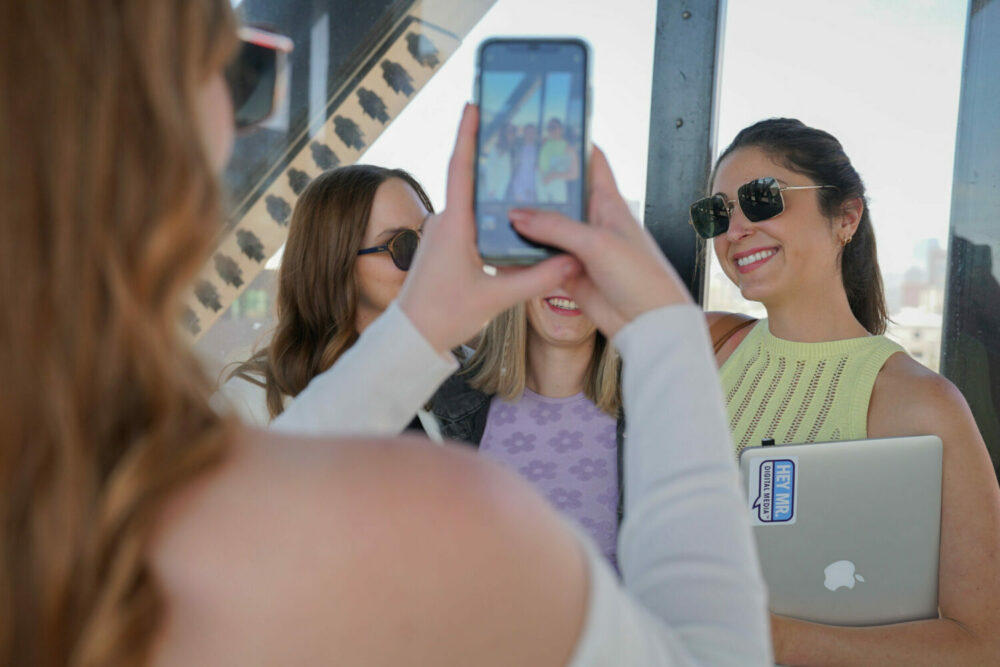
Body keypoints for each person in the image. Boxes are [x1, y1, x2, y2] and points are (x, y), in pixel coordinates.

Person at [0, 1, 772, 664]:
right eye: (240, 75)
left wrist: (416, 332)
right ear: (164, 137)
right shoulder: (440, 517)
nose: (249, 119)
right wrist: (667, 334)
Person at [694, 117, 1000, 665]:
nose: (734, 228)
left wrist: (776, 641)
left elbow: (982, 644)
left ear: (846, 217)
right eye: (717, 213)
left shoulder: (919, 403)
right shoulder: (707, 344)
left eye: (761, 199)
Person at [221, 165, 434, 426]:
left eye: (432, 234)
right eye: (403, 244)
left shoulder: (460, 371)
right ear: (336, 262)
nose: (427, 255)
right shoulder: (248, 405)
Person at [429, 295, 624, 567]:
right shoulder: (440, 401)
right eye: (550, 254)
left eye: (586, 261)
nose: (568, 279)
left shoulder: (656, 411)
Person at [537, 117, 579, 204]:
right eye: (549, 128)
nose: (551, 130)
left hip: (556, 186)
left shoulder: (568, 148)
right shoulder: (546, 142)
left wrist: (553, 176)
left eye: (553, 127)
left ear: (561, 129)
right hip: (540, 184)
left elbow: (574, 174)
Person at [481, 121, 516, 200]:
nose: (512, 134)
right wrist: (491, 190)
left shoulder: (514, 150)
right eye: (509, 131)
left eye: (513, 131)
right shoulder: (495, 150)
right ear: (503, 134)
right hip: (497, 193)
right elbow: (490, 170)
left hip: (512, 191)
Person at [509, 123, 539, 202]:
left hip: (534, 188)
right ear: (524, 134)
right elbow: (514, 169)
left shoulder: (539, 150)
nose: (530, 135)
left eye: (532, 132)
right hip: (519, 185)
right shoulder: (517, 149)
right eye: (528, 132)